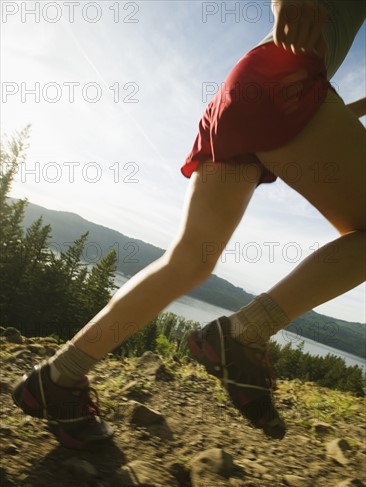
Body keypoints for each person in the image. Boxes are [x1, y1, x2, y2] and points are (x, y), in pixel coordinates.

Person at [13, 0, 366, 449]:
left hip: (253, 90)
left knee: (189, 261)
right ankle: (243, 334)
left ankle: (56, 378)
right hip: (289, 83)